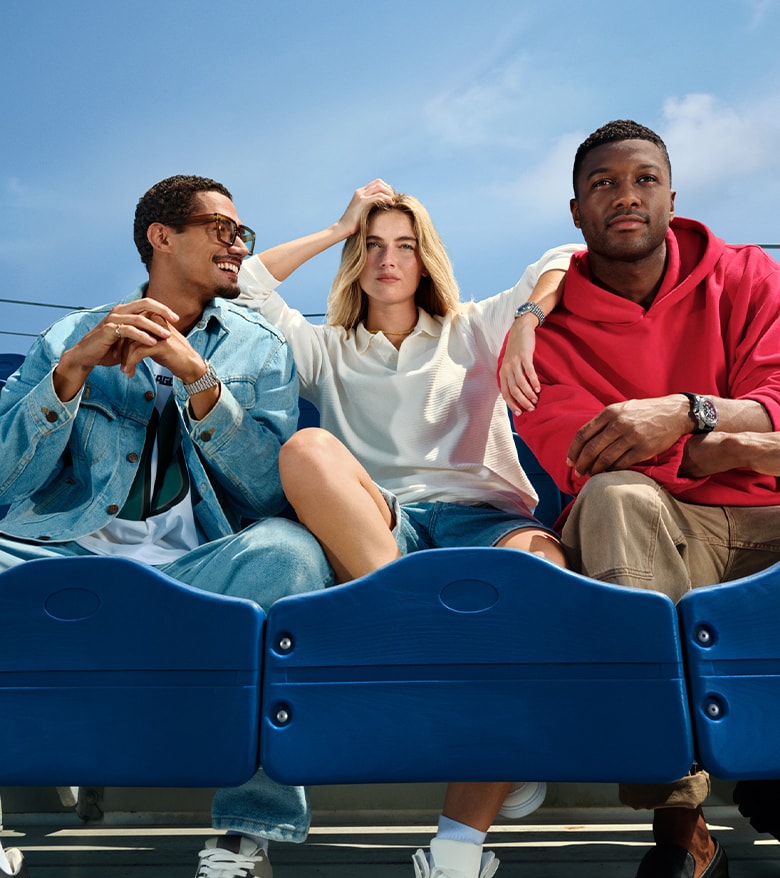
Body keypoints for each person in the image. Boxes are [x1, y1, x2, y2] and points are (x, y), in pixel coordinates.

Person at [236, 179, 579, 878]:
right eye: (372, 246)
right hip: (388, 533)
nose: (387, 259)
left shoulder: (474, 327)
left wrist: (529, 320)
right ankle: (437, 659)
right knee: (304, 450)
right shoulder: (323, 349)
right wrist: (339, 226)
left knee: (542, 568)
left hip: (484, 521)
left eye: (404, 246)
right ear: (355, 261)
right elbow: (243, 285)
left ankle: (457, 849)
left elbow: (569, 253)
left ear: (426, 261)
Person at [0, 175, 335, 878]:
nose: (238, 245)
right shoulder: (68, 332)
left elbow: (270, 489)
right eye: (221, 229)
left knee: (290, 549)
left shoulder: (261, 346)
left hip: (198, 567)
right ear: (161, 237)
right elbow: (7, 480)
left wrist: (201, 380)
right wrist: (67, 376)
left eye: (242, 233)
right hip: (62, 555)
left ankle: (248, 834)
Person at [500, 119, 780, 878]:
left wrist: (682, 410)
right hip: (661, 525)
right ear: (576, 213)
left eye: (643, 179)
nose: (626, 196)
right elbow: (584, 457)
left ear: (671, 194)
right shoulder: (542, 335)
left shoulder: (748, 274)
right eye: (604, 184)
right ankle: (680, 818)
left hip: (769, 516)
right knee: (617, 500)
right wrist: (730, 436)